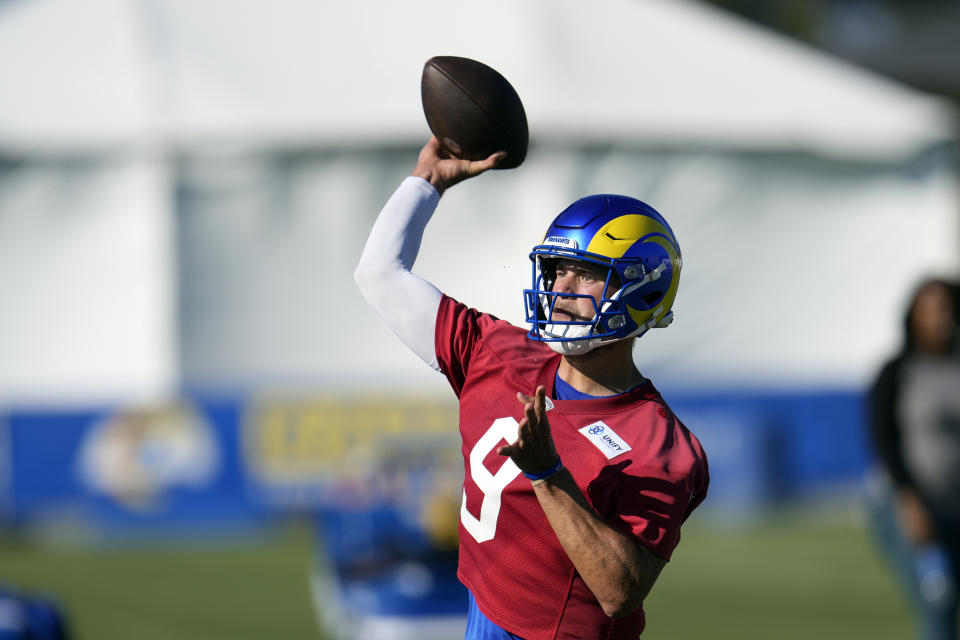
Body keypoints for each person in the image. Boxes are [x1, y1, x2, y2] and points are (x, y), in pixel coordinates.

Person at [354, 138, 709, 639]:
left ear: (642, 288)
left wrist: (548, 474)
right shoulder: (496, 352)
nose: (561, 289)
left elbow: (620, 591)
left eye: (585, 274)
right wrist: (426, 183)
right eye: (557, 269)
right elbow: (379, 275)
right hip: (482, 619)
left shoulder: (660, 446)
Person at [867, 277, 960, 640]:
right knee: (938, 597)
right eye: (934, 308)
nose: (942, 316)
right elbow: (885, 440)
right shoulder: (898, 372)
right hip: (912, 506)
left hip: (955, 505)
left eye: (948, 307)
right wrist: (909, 500)